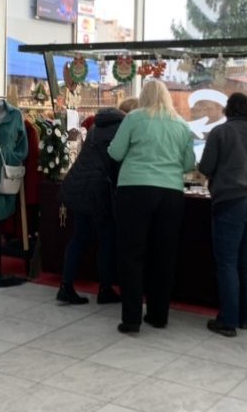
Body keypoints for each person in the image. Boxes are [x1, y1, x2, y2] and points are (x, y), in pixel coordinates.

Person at [108, 79, 196, 334]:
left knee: (132, 255)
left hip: (134, 190)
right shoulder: (181, 124)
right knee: (164, 256)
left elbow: (115, 152)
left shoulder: (134, 118)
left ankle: (131, 319)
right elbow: (189, 164)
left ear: (143, 95)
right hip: (171, 194)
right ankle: (158, 315)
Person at [198, 92, 247, 337]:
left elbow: (207, 167)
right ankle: (246, 317)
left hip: (232, 199)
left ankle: (228, 321)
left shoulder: (220, 132)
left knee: (228, 262)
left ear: (228, 110)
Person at [57, 97, 139, 305]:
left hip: (79, 185)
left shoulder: (96, 125)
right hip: (99, 190)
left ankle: (66, 285)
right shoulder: (122, 129)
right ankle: (105, 288)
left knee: (80, 237)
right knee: (107, 239)